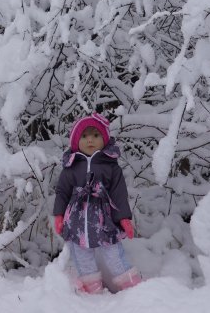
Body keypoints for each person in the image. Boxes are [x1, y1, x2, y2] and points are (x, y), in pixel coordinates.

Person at [52, 113, 142, 294]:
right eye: (84, 136)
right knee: (82, 256)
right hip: (77, 220)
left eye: (95, 135)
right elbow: (62, 191)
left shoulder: (111, 166)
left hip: (104, 219)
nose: (90, 140)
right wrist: (59, 214)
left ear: (104, 139)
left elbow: (119, 194)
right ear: (76, 141)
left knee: (113, 253)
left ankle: (133, 288)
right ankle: (93, 290)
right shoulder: (71, 166)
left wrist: (123, 218)